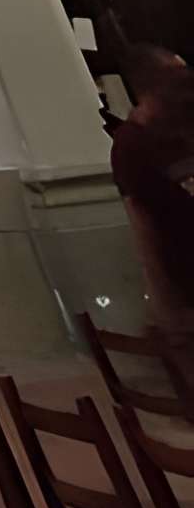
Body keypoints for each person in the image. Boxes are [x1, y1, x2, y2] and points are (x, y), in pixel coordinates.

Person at [110, 45, 194, 329]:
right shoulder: (133, 142)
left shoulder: (182, 125)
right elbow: (142, 221)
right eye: (178, 75)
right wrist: (164, 302)